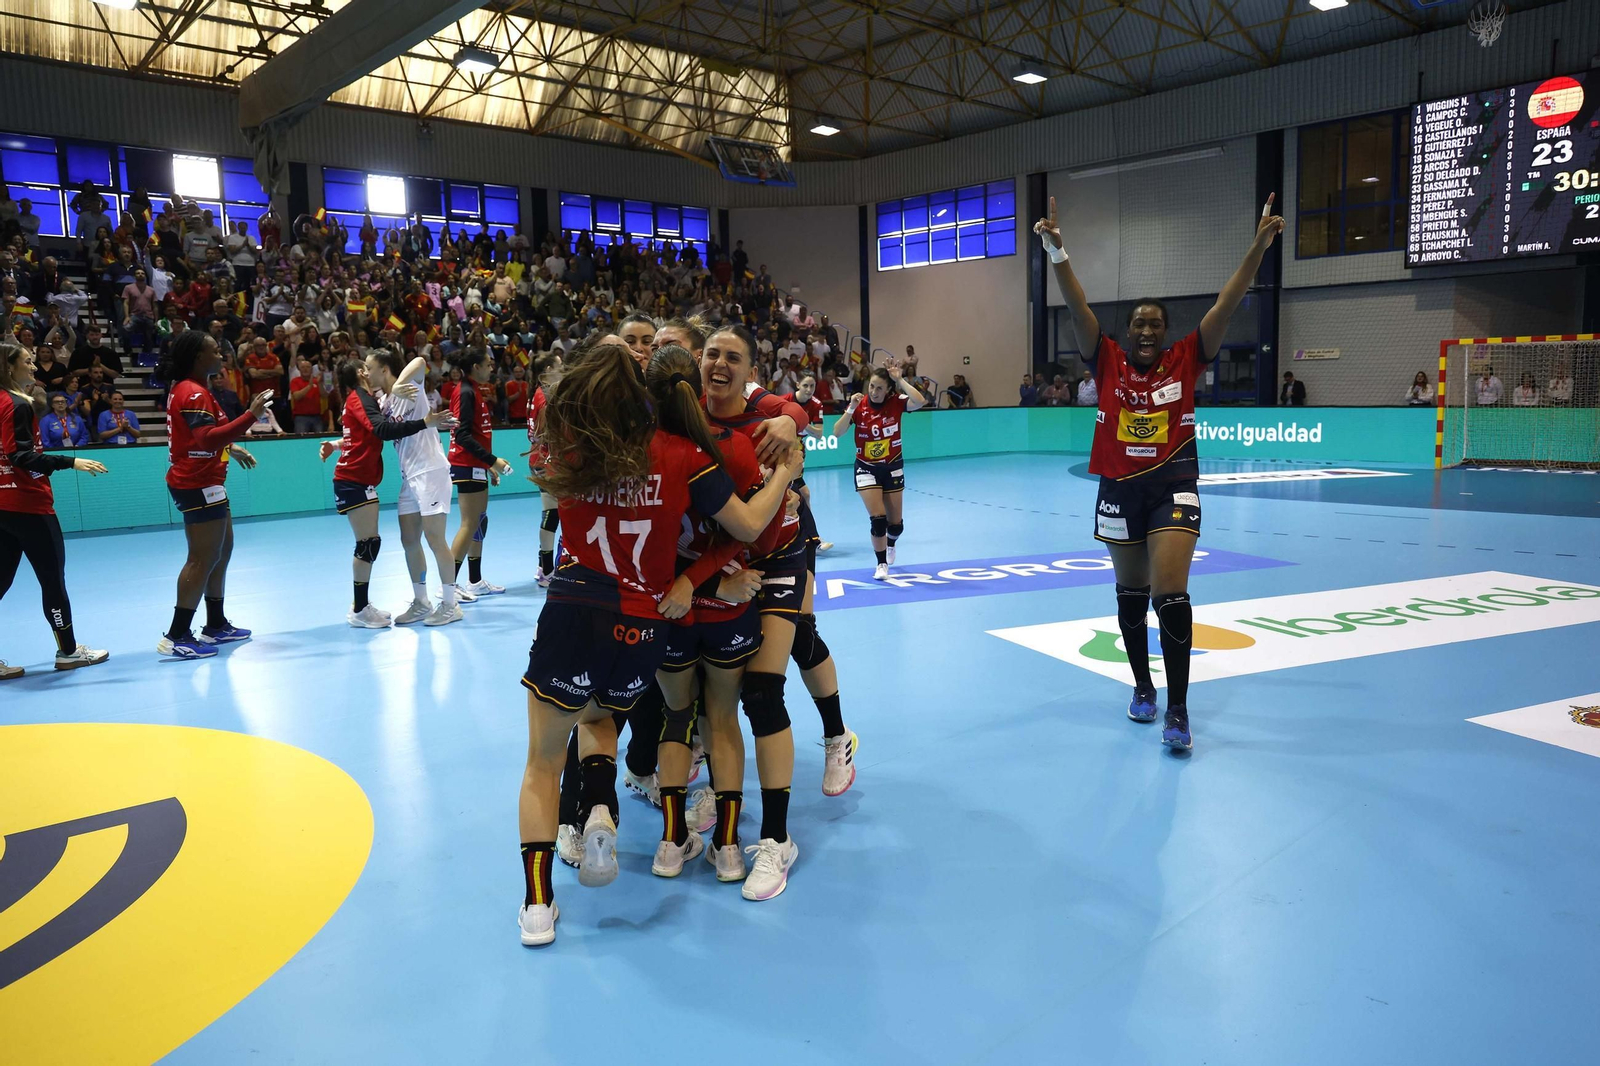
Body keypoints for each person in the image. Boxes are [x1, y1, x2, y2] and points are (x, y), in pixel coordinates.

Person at [514, 342, 798, 946]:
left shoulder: (571, 448)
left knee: (543, 760)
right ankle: (613, 812)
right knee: (611, 720)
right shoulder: (682, 455)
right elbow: (749, 526)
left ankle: (539, 904)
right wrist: (787, 469)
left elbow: (547, 430)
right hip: (646, 621)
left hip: (575, 607)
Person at [1036, 190, 1284, 752]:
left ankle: (1178, 709)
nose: (1147, 332)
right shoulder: (1106, 358)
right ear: (1127, 332)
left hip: (1174, 487)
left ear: (1166, 333)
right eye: (1139, 325)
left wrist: (1258, 248)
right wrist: (1057, 252)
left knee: (1170, 592)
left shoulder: (1187, 357)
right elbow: (1077, 306)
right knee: (1131, 593)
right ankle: (1142, 686)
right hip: (1119, 490)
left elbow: (1226, 303)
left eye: (1155, 325)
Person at [703, 324, 855, 895]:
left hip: (783, 553)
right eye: (711, 354)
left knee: (766, 685)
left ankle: (777, 836)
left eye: (732, 357)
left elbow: (797, 410)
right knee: (708, 687)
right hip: (725, 563)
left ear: (750, 369)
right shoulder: (686, 419)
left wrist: (792, 419)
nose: (719, 364)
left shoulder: (766, 412)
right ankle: (714, 794)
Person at [158, 330, 272, 660]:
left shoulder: (191, 389)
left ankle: (215, 624)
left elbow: (200, 436)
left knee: (222, 550)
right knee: (201, 558)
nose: (221, 356)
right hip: (197, 483)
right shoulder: (193, 392)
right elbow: (206, 439)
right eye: (215, 351)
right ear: (198, 357)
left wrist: (231, 447)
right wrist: (251, 415)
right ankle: (177, 635)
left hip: (209, 481)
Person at [0, 341, 111, 678]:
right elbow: (20, 456)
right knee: (52, 581)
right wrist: (70, 461)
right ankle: (68, 652)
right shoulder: (16, 405)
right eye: (27, 361)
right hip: (29, 504)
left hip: (3, 506)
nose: (34, 367)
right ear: (9, 367)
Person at [318, 357, 455, 628]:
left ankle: (451, 605)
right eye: (364, 368)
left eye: (370, 367)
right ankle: (421, 602)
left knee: (435, 539)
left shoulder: (411, 388)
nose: (367, 372)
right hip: (409, 477)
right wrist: (336, 444)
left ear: (384, 369)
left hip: (430, 471)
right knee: (409, 540)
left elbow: (420, 361)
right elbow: (366, 433)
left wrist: (400, 384)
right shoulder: (382, 402)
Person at [833, 363, 927, 581]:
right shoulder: (859, 405)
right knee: (878, 520)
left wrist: (900, 380)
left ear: (888, 390)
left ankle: (891, 543)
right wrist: (851, 408)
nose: (874, 392)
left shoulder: (896, 402)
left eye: (879, 388)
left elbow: (920, 401)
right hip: (866, 467)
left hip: (892, 466)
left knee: (896, 526)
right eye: (871, 387)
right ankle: (881, 563)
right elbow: (837, 432)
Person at [447, 346, 513, 598]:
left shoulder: (474, 390)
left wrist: (487, 465)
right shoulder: (465, 392)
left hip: (475, 465)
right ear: (475, 367)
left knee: (479, 521)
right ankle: (448, 586)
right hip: (466, 464)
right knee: (469, 523)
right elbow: (462, 435)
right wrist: (493, 461)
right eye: (488, 364)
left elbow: (477, 434)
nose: (491, 367)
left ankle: (474, 580)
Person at [781, 372, 833, 551]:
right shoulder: (785, 401)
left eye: (812, 386)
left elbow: (819, 434)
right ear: (797, 385)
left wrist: (800, 420)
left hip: (798, 453)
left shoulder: (816, 404)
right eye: (805, 385)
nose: (809, 390)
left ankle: (808, 538)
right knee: (801, 495)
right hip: (783, 454)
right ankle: (812, 539)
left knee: (803, 495)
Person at [526, 353, 563, 585]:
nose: (563, 368)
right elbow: (548, 435)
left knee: (550, 513)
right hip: (547, 461)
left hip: (538, 459)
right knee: (552, 514)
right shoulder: (546, 398)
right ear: (548, 370)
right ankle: (547, 571)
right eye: (560, 365)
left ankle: (543, 566)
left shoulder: (537, 393)